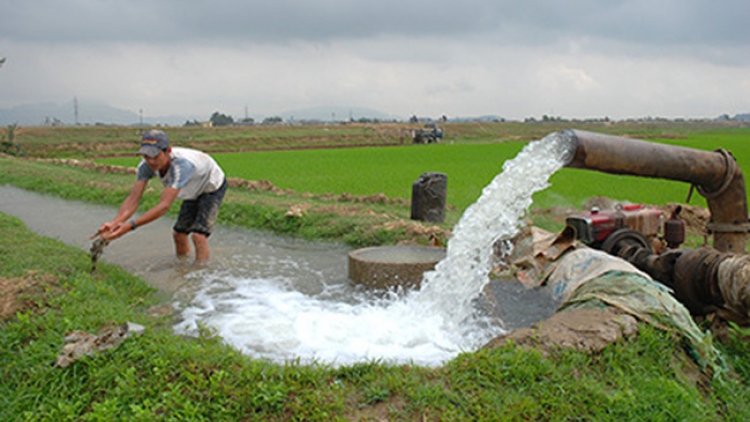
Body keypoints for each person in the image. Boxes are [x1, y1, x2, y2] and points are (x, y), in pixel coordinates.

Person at [93, 129, 227, 264]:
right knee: (179, 234)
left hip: (211, 184)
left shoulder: (181, 165)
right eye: (146, 156)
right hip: (191, 189)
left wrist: (131, 226)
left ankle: (201, 274)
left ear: (167, 152)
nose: (151, 161)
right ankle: (182, 267)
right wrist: (115, 223)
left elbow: (164, 206)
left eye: (155, 156)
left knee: (198, 236)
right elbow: (133, 199)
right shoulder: (145, 166)